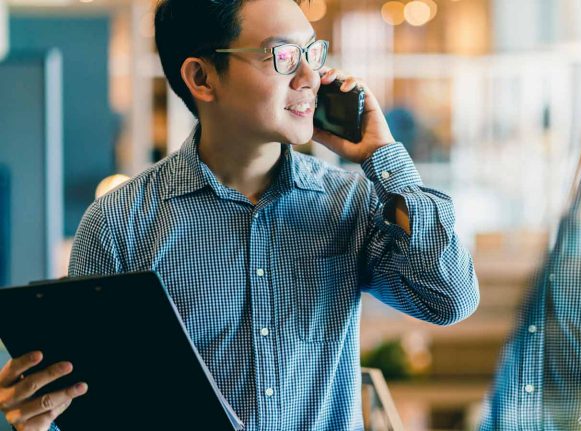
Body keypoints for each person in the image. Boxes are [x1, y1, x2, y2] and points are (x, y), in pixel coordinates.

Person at [0, 1, 479, 430]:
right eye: (283, 56)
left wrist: (384, 157)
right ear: (202, 78)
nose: (311, 77)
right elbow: (98, 404)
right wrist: (43, 419)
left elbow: (450, 299)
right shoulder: (120, 223)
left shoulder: (349, 200)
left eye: (312, 53)